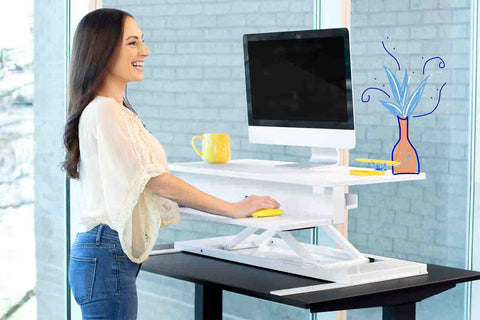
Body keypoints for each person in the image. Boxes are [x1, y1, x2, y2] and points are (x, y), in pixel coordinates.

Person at [61, 8, 280, 319]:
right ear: (102, 50)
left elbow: (146, 186)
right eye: (133, 42)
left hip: (104, 254)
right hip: (105, 252)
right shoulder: (105, 111)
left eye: (142, 42)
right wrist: (232, 208)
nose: (145, 51)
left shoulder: (113, 111)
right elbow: (156, 180)